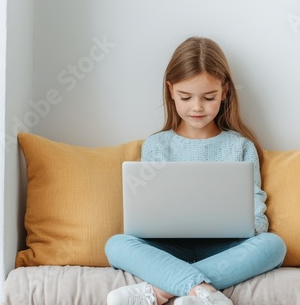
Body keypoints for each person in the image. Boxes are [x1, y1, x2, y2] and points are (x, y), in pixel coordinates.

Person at [105, 37, 286, 305]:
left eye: (208, 97)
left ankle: (161, 292)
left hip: (224, 248)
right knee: (116, 245)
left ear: (224, 92)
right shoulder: (157, 145)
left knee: (274, 246)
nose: (197, 107)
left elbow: (259, 219)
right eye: (186, 97)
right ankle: (204, 293)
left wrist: (246, 224)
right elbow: (143, 216)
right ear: (170, 91)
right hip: (167, 249)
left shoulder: (240, 146)